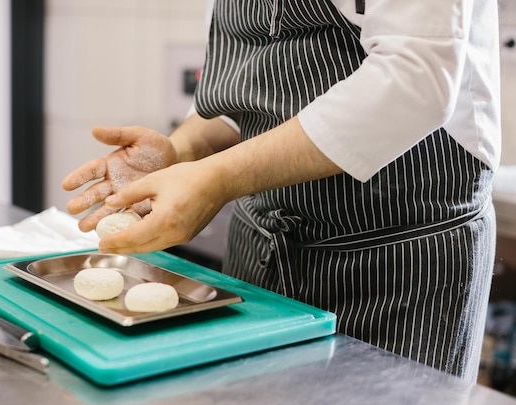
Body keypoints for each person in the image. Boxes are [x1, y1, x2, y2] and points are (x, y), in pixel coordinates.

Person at [62, 0, 501, 382]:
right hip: (261, 242)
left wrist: (218, 178)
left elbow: (415, 82)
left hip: (397, 259)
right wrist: (182, 150)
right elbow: (245, 97)